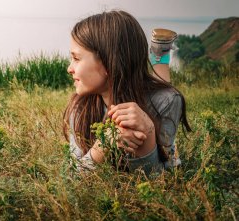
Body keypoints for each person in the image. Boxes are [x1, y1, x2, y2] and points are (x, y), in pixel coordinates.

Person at [63, 10, 191, 175]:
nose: (69, 69)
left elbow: (160, 180)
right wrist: (104, 143)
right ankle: (159, 53)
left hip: (156, 99)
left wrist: (148, 134)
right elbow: (73, 177)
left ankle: (160, 54)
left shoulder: (167, 101)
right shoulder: (80, 107)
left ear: (109, 62)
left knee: (164, 91)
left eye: (77, 58)